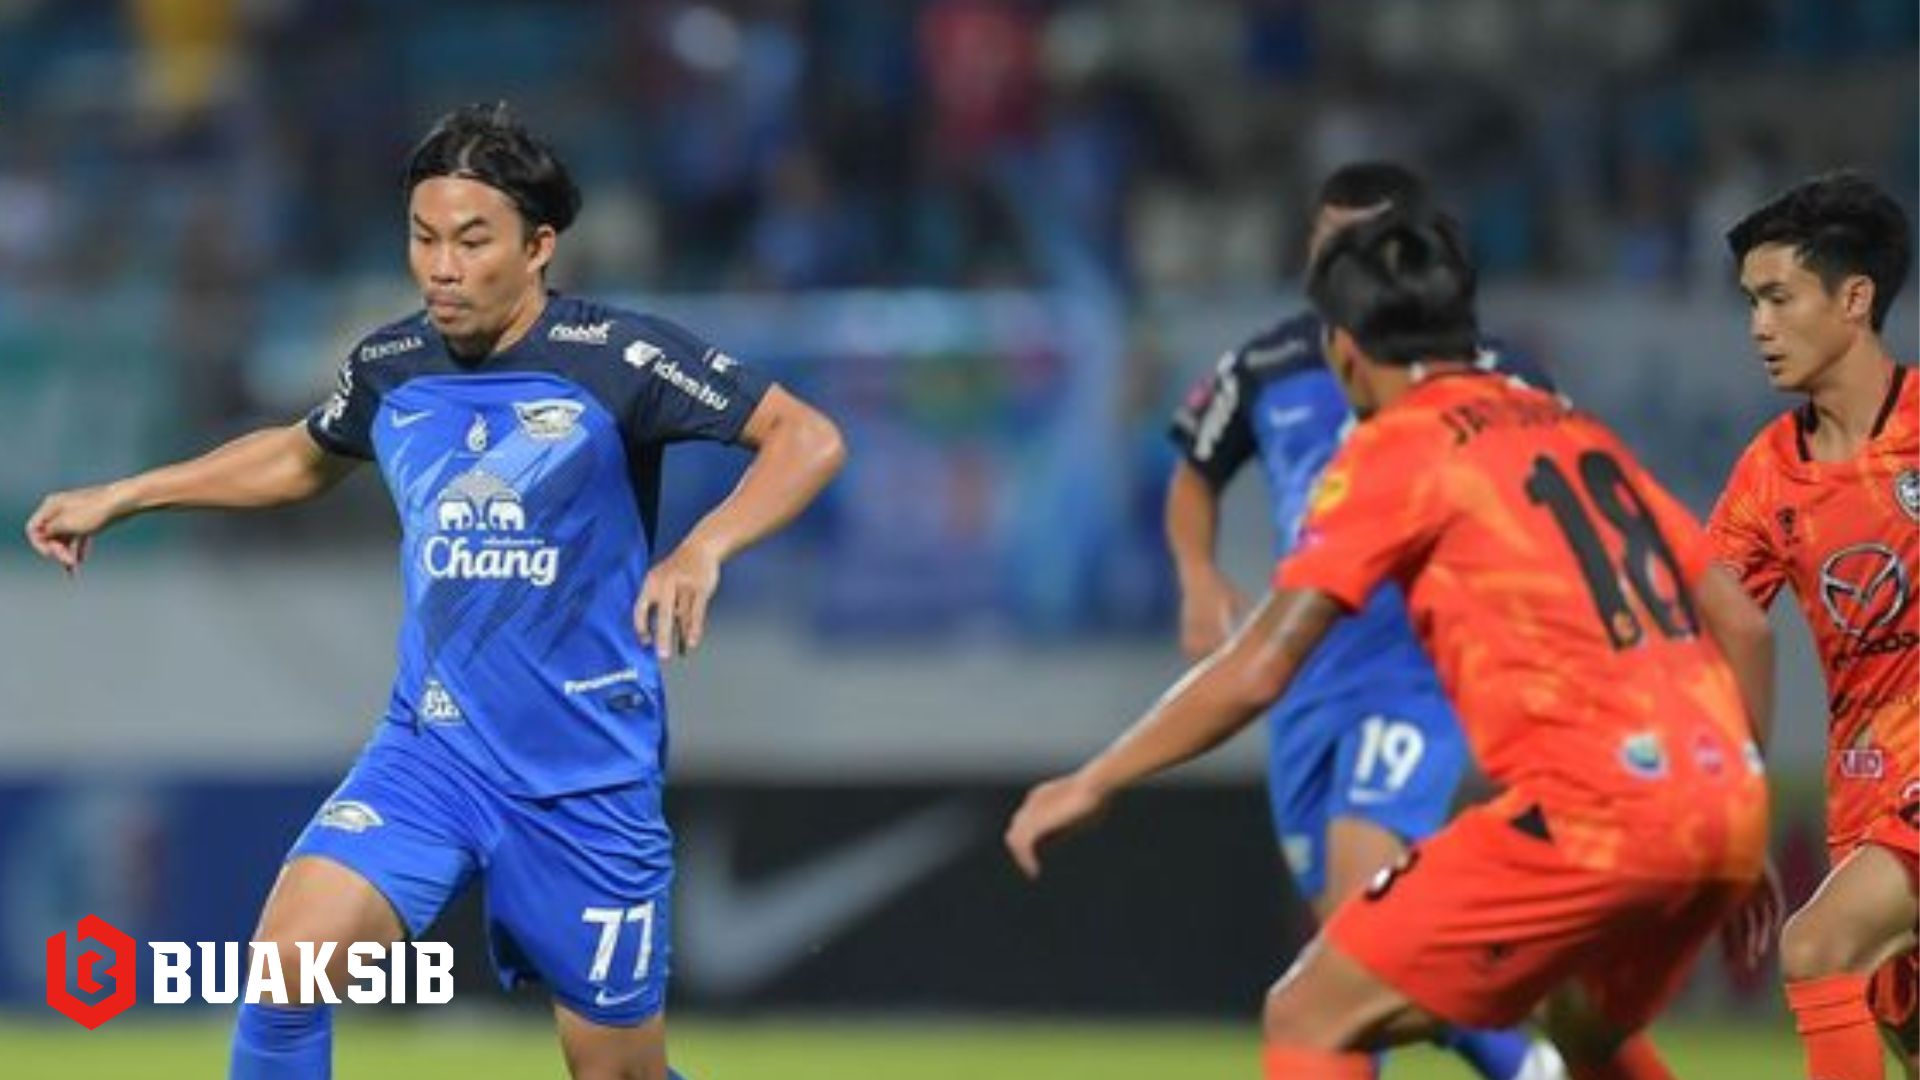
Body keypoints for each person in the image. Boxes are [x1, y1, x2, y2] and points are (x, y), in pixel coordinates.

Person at [24, 103, 846, 1080]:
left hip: (583, 777)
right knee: (284, 974)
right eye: (423, 238)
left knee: (617, 1073)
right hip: (430, 756)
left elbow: (806, 437)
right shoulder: (392, 366)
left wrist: (704, 548)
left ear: (538, 247)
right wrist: (127, 494)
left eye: (471, 241)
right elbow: (300, 457)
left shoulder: (617, 359)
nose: (441, 268)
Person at [1008, 208, 1780, 1080]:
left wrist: (1097, 777)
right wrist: (1730, 797)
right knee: (1583, 1033)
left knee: (1311, 1013)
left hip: (1596, 810)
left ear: (1344, 351)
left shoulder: (1397, 450)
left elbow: (1262, 666)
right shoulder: (1568, 428)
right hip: (1724, 799)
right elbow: (1744, 623)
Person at [1166, 161, 1563, 1080]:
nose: (1340, 263)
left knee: (1354, 938)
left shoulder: (1488, 370)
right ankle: (1528, 1064)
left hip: (1422, 664)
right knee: (1352, 946)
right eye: (1327, 244)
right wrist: (1196, 573)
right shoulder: (1265, 362)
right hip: (1306, 674)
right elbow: (1194, 475)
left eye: (1362, 243)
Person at [1710, 171, 1918, 1080]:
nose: (1758, 325)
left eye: (1778, 297)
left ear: (1854, 299)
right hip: (1865, 799)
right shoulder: (1768, 476)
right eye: (1750, 302)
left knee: (1817, 945)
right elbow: (1707, 629)